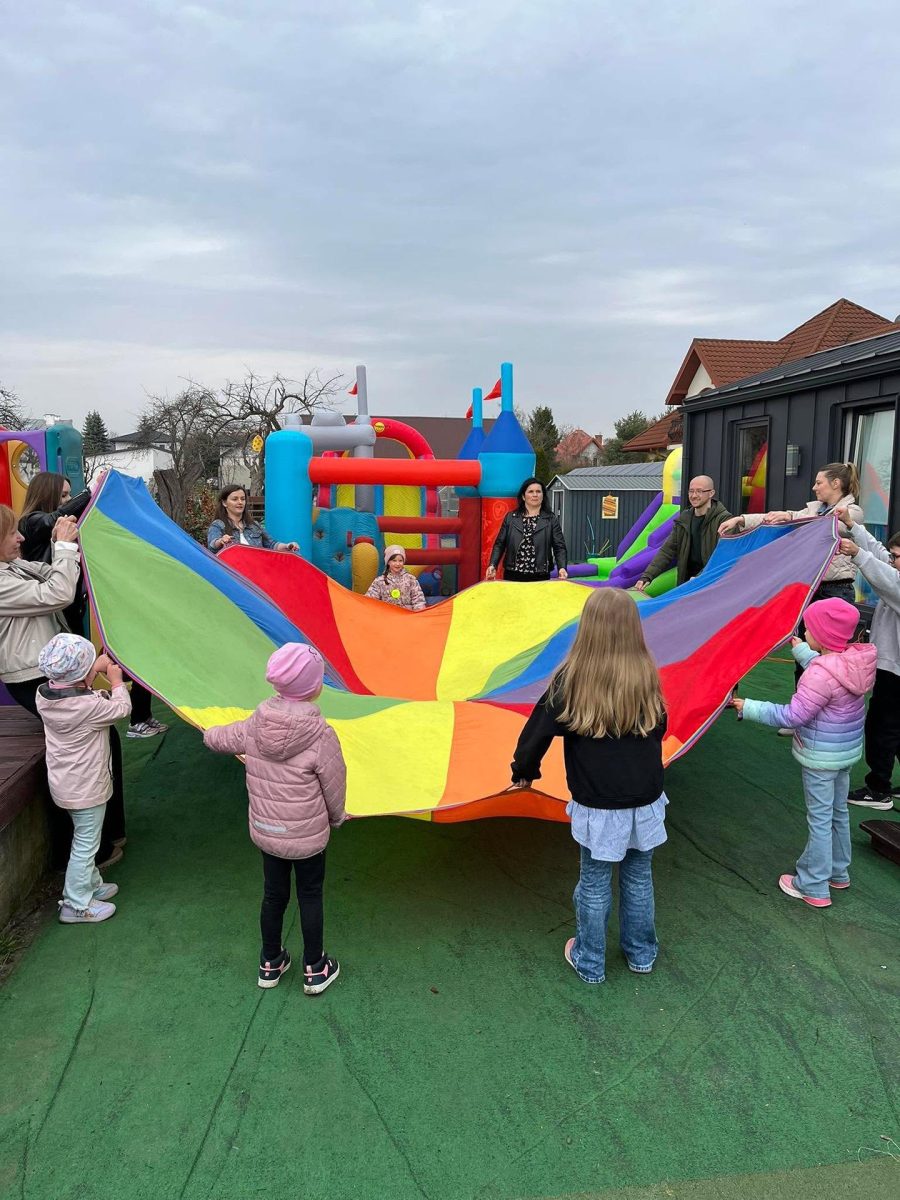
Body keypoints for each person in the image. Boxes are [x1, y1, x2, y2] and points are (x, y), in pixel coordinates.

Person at [510, 589, 667, 983]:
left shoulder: (571, 681)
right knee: (638, 877)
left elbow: (536, 733)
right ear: (633, 630)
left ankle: (590, 960)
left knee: (595, 882)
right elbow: (660, 726)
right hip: (645, 797)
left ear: (588, 629)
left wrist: (523, 771)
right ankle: (641, 954)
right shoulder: (646, 675)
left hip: (598, 802)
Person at [203, 643, 346, 994]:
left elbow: (222, 738)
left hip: (268, 832)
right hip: (307, 837)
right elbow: (334, 783)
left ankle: (270, 962)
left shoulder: (256, 723)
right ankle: (315, 967)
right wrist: (337, 817)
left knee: (273, 895)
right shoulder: (321, 734)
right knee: (310, 895)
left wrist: (207, 732)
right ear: (315, 688)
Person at [0, 503, 127, 868]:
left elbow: (55, 573)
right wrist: (64, 547)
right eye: (12, 533)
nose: (21, 537)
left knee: (100, 742)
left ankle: (104, 834)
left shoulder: (14, 566)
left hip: (49, 672)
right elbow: (56, 592)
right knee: (83, 752)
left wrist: (70, 543)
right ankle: (85, 850)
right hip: (31, 676)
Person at [730, 598, 876, 907]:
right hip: (844, 754)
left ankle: (812, 884)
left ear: (821, 635)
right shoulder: (853, 663)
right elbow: (826, 668)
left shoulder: (819, 675)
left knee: (820, 818)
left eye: (808, 628)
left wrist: (750, 707)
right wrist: (801, 649)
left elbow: (793, 715)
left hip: (821, 758)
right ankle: (838, 871)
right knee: (838, 812)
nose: (805, 630)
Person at [17, 472, 167, 740]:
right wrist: (90, 491)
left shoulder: (56, 528)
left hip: (72, 602)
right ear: (47, 494)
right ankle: (124, 713)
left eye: (68, 494)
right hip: (58, 605)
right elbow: (54, 520)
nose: (66, 500)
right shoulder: (32, 522)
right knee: (80, 659)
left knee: (93, 658)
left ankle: (131, 712)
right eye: (62, 495)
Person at [35, 634, 132, 924]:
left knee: (85, 837)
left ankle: (89, 884)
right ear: (83, 676)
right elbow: (121, 709)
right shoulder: (87, 707)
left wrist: (91, 670)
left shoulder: (44, 694)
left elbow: (79, 691)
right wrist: (115, 681)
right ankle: (76, 904)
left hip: (66, 784)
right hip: (86, 787)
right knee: (86, 843)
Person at [836, 514, 900, 810]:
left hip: (895, 671)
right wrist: (853, 526)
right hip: (891, 666)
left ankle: (879, 788)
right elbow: (880, 555)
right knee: (894, 728)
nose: (892, 560)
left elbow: (882, 574)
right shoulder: (894, 568)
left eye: (898, 557)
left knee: (881, 727)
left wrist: (856, 553)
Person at [634, 476, 731, 591]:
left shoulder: (724, 521)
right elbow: (667, 551)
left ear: (711, 493)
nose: (694, 495)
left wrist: (700, 578)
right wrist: (647, 576)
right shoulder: (684, 519)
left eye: (699, 491)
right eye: (691, 491)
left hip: (711, 586)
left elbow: (723, 557)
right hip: (686, 585)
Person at [486, 478, 568, 582]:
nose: (535, 495)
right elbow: (500, 544)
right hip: (513, 575)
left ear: (543, 496)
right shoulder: (511, 518)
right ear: (523, 496)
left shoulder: (551, 519)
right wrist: (493, 564)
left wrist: (562, 568)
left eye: (538, 491)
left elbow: (559, 547)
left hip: (540, 577)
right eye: (531, 491)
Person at [207, 485, 299, 554]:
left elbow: (272, 545)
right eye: (235, 499)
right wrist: (220, 541)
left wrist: (287, 546)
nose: (240, 502)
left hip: (257, 572)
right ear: (224, 503)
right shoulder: (218, 525)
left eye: (242, 499)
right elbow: (212, 547)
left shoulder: (254, 525)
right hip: (233, 575)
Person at [365, 545, 427, 610]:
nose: (397, 564)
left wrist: (418, 614)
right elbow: (370, 600)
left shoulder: (411, 579)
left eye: (400, 561)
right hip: (388, 616)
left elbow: (418, 600)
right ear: (388, 562)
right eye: (394, 561)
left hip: (406, 616)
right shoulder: (379, 581)